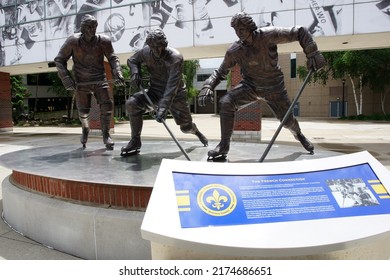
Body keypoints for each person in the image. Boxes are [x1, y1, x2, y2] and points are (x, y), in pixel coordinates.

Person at [198, 12, 325, 161]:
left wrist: (313, 53)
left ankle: (299, 134)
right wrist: (208, 86)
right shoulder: (235, 50)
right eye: (236, 30)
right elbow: (220, 71)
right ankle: (223, 146)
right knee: (226, 102)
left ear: (250, 27)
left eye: (242, 29)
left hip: (274, 87)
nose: (239, 33)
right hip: (250, 86)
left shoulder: (267, 35)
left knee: (288, 122)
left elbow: (300, 31)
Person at [122, 28, 208, 156]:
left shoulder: (175, 58)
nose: (157, 51)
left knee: (186, 128)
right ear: (149, 46)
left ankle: (196, 132)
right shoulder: (146, 52)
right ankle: (135, 141)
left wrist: (163, 108)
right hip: (155, 92)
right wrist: (135, 71)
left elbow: (172, 86)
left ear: (165, 45)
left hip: (176, 95)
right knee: (132, 103)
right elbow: (132, 60)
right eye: (154, 48)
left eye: (160, 47)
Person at [54, 14, 124, 149]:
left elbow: (113, 58)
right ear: (82, 28)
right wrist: (66, 78)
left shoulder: (104, 40)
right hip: (81, 81)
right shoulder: (73, 41)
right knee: (84, 112)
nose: (92, 30)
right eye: (89, 27)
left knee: (107, 106)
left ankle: (106, 135)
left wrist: (118, 73)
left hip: (99, 79)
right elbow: (59, 60)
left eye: (94, 27)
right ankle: (85, 128)